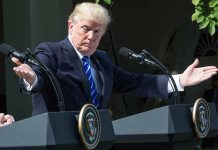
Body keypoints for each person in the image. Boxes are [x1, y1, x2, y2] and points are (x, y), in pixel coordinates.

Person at [11, 2, 218, 116]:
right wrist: (32, 78)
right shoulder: (51, 51)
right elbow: (39, 73)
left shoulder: (101, 61)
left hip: (95, 141)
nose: (91, 36)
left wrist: (180, 80)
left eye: (97, 31)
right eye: (86, 29)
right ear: (70, 26)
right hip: (57, 140)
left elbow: (137, 82)